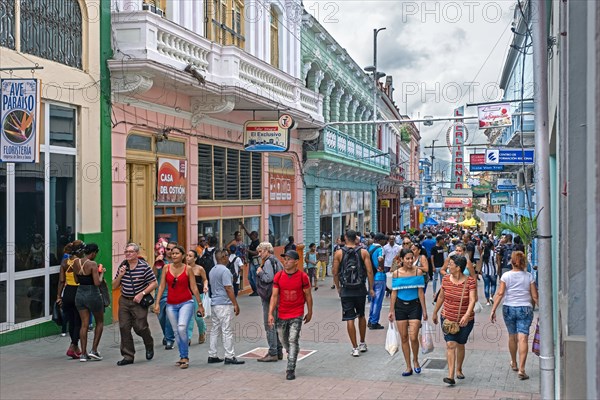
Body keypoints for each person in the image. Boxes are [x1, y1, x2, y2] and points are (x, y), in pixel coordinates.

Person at [490, 251, 538, 380]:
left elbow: (500, 294)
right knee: (523, 338)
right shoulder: (529, 277)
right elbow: (534, 296)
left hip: (509, 308)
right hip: (525, 309)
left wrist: (493, 310)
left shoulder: (506, 276)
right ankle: (522, 369)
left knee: (512, 336)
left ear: (512, 261)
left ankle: (514, 362)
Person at [154, 245, 204, 369]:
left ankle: (185, 357)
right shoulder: (166, 268)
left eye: (177, 253)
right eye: (173, 253)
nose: (174, 255)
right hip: (171, 304)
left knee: (182, 328)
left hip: (186, 302)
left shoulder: (188, 269)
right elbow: (161, 286)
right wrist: (157, 303)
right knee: (176, 331)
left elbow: (193, 287)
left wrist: (200, 305)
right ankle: (182, 356)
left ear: (182, 256)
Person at [431, 255, 477, 386]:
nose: (448, 266)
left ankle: (459, 369)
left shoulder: (470, 282)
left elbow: (473, 300)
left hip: (465, 320)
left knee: (460, 344)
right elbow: (441, 297)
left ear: (458, 268)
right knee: (451, 344)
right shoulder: (445, 279)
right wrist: (435, 312)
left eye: (451, 264)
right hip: (447, 318)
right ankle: (450, 375)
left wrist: (467, 315)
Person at [268, 250, 313, 380]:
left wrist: (310, 311)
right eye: (284, 259)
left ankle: (290, 368)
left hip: (297, 313)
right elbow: (274, 296)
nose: (285, 261)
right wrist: (270, 313)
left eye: (288, 259)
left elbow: (308, 296)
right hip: (282, 313)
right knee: (282, 339)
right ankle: (291, 351)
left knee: (293, 339)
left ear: (296, 262)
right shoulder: (278, 276)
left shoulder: (303, 277)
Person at [112, 243, 158, 366]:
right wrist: (120, 275)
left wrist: (142, 293)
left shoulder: (144, 267)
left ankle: (149, 344)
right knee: (124, 327)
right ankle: (128, 356)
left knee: (140, 327)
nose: (127, 254)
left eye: (130, 252)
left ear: (136, 254)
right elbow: (114, 285)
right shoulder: (123, 266)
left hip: (138, 302)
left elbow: (154, 283)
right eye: (126, 251)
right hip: (124, 300)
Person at [332, 230, 374, 357]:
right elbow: (370, 271)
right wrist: (370, 288)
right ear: (356, 238)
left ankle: (354, 347)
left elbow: (335, 272)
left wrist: (338, 287)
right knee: (361, 315)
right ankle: (362, 343)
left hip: (346, 290)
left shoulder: (339, 253)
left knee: (349, 318)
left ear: (345, 238)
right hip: (360, 289)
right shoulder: (363, 252)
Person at [388, 248, 427, 376]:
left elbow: (421, 292)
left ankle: (415, 360)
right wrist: (391, 310)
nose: (410, 261)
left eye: (412, 258)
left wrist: (425, 311)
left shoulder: (418, 272)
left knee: (413, 336)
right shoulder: (396, 274)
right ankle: (408, 366)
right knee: (404, 338)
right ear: (402, 260)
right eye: (407, 258)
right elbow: (394, 292)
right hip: (400, 307)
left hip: (415, 306)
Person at [207, 249, 245, 365]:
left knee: (214, 329)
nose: (228, 258)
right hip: (224, 303)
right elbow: (228, 288)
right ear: (223, 257)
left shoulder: (212, 270)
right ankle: (229, 355)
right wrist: (235, 304)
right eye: (227, 256)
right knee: (226, 330)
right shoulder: (225, 271)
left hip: (214, 303)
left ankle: (212, 354)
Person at [73, 243, 104, 362]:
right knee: (99, 322)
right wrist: (101, 273)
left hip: (79, 293)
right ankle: (94, 350)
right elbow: (97, 282)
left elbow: (76, 280)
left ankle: (83, 353)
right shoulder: (93, 264)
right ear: (94, 253)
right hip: (93, 294)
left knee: (84, 324)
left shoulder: (76, 262)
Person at [255, 242, 283, 362]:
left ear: (267, 250)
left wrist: (260, 272)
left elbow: (268, 278)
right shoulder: (276, 261)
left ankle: (273, 352)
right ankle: (278, 350)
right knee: (276, 323)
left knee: (269, 324)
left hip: (269, 296)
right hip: (276, 295)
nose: (259, 254)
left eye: (261, 251)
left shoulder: (267, 262)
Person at [56, 241, 83, 359]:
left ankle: (75, 348)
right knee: (79, 321)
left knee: (71, 321)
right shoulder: (81, 262)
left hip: (67, 293)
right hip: (78, 292)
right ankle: (73, 345)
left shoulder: (64, 262)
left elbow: (61, 281)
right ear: (80, 251)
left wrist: (58, 296)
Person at [155, 241, 176, 349]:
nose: (170, 251)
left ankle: (170, 339)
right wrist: (156, 262)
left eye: (173, 249)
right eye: (168, 249)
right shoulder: (161, 262)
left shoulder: (179, 263)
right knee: (161, 317)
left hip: (174, 293)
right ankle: (166, 335)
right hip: (161, 293)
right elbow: (153, 275)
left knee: (169, 317)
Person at [185, 250, 208, 344]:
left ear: (195, 258)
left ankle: (202, 332)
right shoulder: (183, 268)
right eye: (186, 255)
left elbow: (205, 279)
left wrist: (205, 286)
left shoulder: (200, 269)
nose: (187, 257)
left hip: (198, 295)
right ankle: (188, 337)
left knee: (198, 317)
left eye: (190, 256)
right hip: (186, 296)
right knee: (188, 318)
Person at [367, 233, 387, 330]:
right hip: (379, 277)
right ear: (380, 240)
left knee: (373, 299)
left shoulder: (369, 248)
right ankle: (374, 321)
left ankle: (370, 320)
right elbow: (380, 258)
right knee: (377, 300)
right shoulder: (380, 249)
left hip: (371, 276)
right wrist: (381, 267)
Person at [241, 224, 260, 297]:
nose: (250, 237)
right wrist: (244, 227)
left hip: (255, 261)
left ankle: (257, 291)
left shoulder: (257, 243)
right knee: (249, 277)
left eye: (252, 236)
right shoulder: (253, 240)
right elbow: (249, 234)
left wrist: (247, 250)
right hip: (251, 261)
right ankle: (255, 290)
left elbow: (256, 252)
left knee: (254, 276)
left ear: (255, 236)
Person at [481, 239, 497, 305]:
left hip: (485, 271)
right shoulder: (494, 254)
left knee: (486, 285)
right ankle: (491, 297)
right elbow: (497, 262)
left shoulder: (483, 253)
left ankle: (487, 301)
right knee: (493, 284)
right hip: (493, 272)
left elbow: (481, 262)